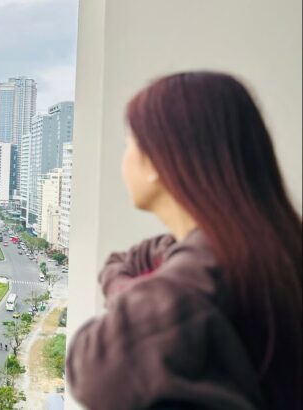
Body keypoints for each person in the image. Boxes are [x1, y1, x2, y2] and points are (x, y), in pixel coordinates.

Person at [66, 72, 302, 410]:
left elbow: (92, 366)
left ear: (157, 163)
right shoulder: (267, 250)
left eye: (129, 143)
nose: (125, 159)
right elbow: (129, 259)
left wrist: (127, 291)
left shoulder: (201, 279)